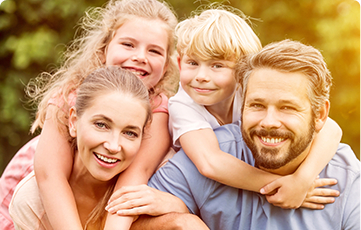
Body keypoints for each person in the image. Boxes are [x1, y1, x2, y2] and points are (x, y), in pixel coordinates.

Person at [105, 6, 341, 217]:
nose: (201, 76)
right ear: (180, 63)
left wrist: (302, 180)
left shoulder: (249, 94)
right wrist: (281, 185)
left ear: (242, 72)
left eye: (217, 65)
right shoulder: (183, 104)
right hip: (194, 188)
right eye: (193, 63)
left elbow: (330, 127)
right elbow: (210, 163)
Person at [132, 39, 361, 230]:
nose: (269, 122)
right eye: (257, 105)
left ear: (320, 115)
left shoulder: (349, 180)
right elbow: (131, 220)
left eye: (287, 108)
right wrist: (181, 222)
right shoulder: (209, 152)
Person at [0, 0, 179, 229]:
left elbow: (131, 183)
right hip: (31, 191)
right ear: (104, 49)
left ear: (165, 66)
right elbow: (50, 177)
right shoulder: (71, 95)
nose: (140, 57)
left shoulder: (159, 109)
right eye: (128, 44)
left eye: (154, 50)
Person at [9, 66, 152, 229]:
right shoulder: (32, 202)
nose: (113, 146)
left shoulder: (151, 188)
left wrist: (173, 205)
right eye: (101, 125)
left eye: (130, 133)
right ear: (73, 122)